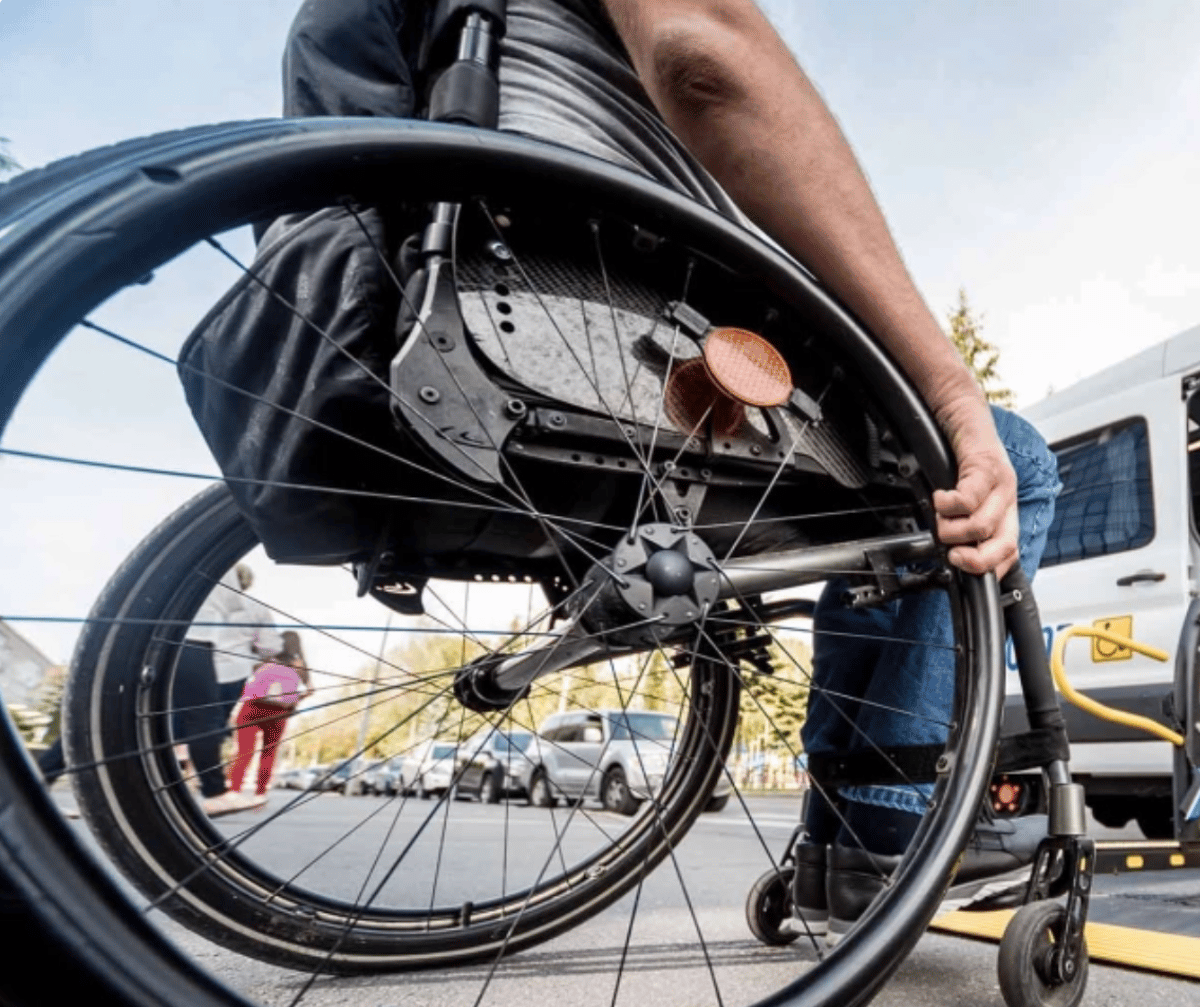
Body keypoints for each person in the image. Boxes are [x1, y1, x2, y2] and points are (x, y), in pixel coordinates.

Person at [282, 0, 1060, 925]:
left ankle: (834, 841)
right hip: (613, 327)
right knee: (1011, 460)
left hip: (460, 301)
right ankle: (884, 824)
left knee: (894, 500)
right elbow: (706, 59)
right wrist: (952, 392)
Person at [179, 564, 281, 817]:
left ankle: (189, 777)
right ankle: (212, 790)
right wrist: (257, 650)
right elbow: (270, 647)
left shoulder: (197, 598)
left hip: (195, 663)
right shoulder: (255, 608)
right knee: (208, 726)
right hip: (229, 672)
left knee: (185, 723)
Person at [226, 631, 311, 801]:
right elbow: (310, 690)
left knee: (244, 751)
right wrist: (293, 701)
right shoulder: (299, 665)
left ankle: (234, 792)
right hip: (279, 712)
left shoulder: (264, 660)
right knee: (269, 753)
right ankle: (260, 794)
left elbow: (243, 678)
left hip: (253, 707)